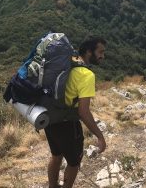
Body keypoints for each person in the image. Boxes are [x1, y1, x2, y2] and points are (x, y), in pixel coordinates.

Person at [45, 36, 107, 188]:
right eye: (100, 52)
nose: (102, 56)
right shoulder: (86, 75)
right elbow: (83, 112)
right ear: (88, 52)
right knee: (73, 163)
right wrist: (100, 136)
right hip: (68, 124)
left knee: (56, 156)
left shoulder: (67, 63)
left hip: (50, 117)